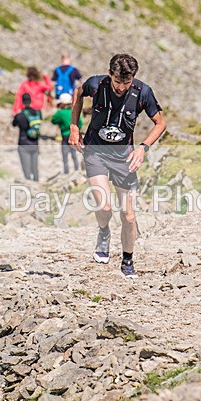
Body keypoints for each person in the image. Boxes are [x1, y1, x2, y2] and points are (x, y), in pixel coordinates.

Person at [69, 54, 167, 278]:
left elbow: (160, 123)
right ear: (110, 75)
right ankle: (104, 232)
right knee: (104, 207)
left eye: (127, 82)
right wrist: (74, 127)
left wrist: (143, 147)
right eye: (117, 82)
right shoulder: (96, 84)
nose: (121, 87)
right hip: (95, 152)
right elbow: (77, 93)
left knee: (129, 216)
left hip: (124, 157)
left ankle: (127, 260)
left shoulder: (143, 92)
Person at [51, 93, 83, 174]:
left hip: (65, 135)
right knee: (74, 154)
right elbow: (80, 122)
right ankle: (77, 170)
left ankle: (66, 172)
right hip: (75, 134)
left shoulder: (60, 113)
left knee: (65, 156)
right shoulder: (74, 111)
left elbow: (53, 120)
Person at [12, 93, 41, 182]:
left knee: (26, 166)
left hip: (23, 143)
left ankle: (28, 184)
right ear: (30, 101)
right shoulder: (38, 113)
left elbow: (13, 124)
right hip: (35, 143)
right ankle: (37, 182)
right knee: (34, 165)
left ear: (22, 101)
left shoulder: (20, 116)